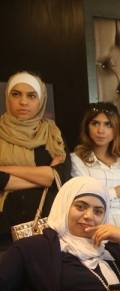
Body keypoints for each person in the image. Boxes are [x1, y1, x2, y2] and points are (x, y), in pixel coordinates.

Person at [0, 71, 70, 250]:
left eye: (31, 96)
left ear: (41, 100)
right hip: (3, 228)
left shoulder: (52, 134)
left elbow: (61, 176)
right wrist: (44, 177)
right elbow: (51, 177)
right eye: (16, 94)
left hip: (47, 225)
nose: (23, 102)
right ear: (7, 97)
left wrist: (6, 169)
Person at [71, 102, 120, 250]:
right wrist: (117, 192)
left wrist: (104, 196)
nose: (101, 130)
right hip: (99, 232)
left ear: (116, 128)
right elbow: (85, 199)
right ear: (87, 127)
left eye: (108, 125)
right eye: (95, 123)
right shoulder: (77, 160)